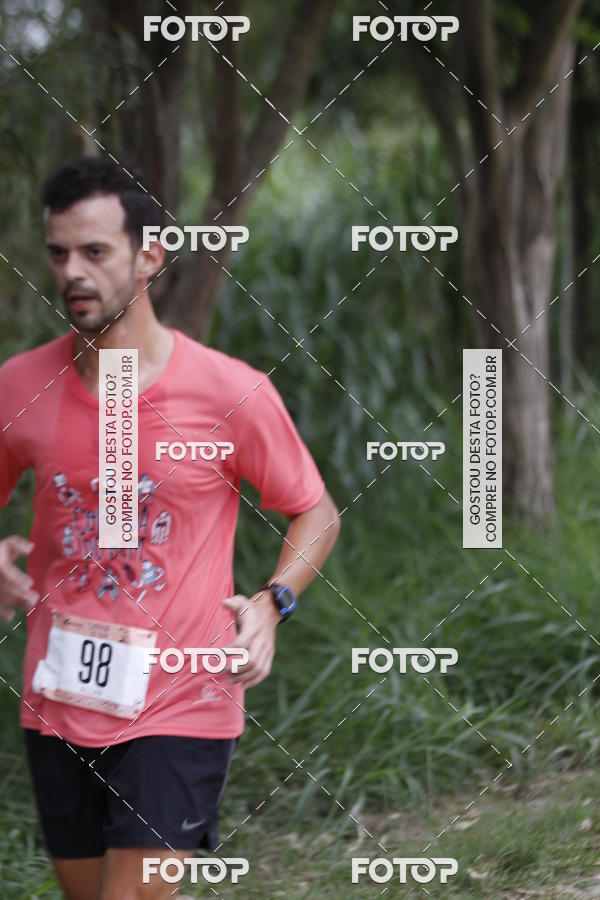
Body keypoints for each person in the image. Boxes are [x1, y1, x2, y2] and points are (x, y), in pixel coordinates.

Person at [0, 157, 340, 899]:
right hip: (58, 693)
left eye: (96, 252)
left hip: (184, 697)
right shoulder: (20, 385)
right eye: (59, 253)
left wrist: (271, 603)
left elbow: (314, 510)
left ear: (149, 255)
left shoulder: (229, 391)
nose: (73, 273)